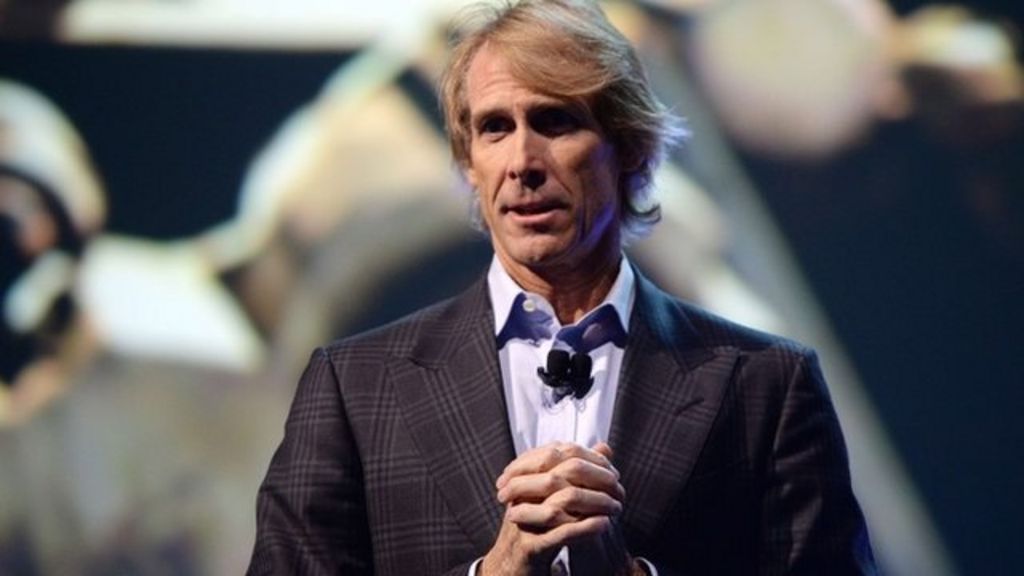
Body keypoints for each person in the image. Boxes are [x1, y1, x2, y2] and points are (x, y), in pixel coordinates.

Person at [247, 1, 876, 574]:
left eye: (555, 122)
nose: (523, 162)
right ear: (469, 165)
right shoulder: (352, 387)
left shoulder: (764, 384)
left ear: (629, 148)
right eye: (495, 128)